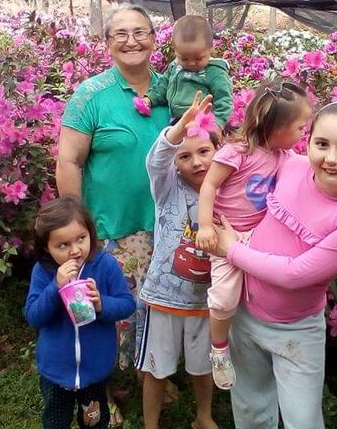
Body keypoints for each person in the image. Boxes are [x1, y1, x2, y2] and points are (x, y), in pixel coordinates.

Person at [211, 101, 337, 428]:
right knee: (250, 409)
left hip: (296, 330)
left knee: (302, 420)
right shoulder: (291, 165)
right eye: (322, 144)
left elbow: (294, 274)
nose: (331, 158)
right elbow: (241, 166)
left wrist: (231, 250)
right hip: (245, 312)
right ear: (308, 142)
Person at [55, 3, 169, 421]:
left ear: (155, 40)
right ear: (107, 44)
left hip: (166, 226)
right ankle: (105, 390)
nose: (131, 41)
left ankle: (150, 375)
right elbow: (69, 162)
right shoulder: (91, 94)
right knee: (108, 310)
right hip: (111, 229)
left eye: (140, 32)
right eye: (120, 33)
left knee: (155, 307)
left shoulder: (170, 89)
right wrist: (77, 228)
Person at [195, 80, 313, 390]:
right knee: (223, 299)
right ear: (275, 127)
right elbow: (209, 186)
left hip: (260, 236)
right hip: (227, 236)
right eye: (300, 127)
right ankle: (219, 350)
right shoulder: (239, 151)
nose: (304, 133)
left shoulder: (282, 155)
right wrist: (205, 226)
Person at [138, 92, 220, 429]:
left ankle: (204, 416)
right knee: (157, 368)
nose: (197, 162)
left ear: (219, 150)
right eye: (185, 156)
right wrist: (181, 128)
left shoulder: (226, 191)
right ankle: (150, 424)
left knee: (203, 366)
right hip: (164, 297)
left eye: (204, 151)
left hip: (207, 299)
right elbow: (157, 159)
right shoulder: (167, 187)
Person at [25, 196, 136, 429]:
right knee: (55, 422)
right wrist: (55, 286)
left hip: (94, 371)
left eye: (81, 239)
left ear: (90, 234)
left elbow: (127, 304)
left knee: (94, 421)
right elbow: (34, 317)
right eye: (63, 245)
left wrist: (101, 304)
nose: (75, 250)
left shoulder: (104, 264)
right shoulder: (43, 271)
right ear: (46, 247)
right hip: (55, 371)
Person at [134, 15, 233, 129]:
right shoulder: (175, 66)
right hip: (176, 121)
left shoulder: (215, 73)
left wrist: (218, 124)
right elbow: (162, 86)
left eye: (198, 58)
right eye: (184, 58)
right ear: (176, 51)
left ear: (210, 48)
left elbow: (225, 101)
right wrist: (149, 99)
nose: (191, 63)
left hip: (201, 125)